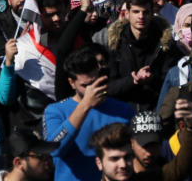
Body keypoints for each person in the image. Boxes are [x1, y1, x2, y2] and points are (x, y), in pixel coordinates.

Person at [45, 47, 135, 181]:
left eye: (95, 82)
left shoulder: (123, 110)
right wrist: (85, 106)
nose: (92, 89)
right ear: (72, 83)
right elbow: (54, 149)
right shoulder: (55, 111)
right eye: (86, 85)